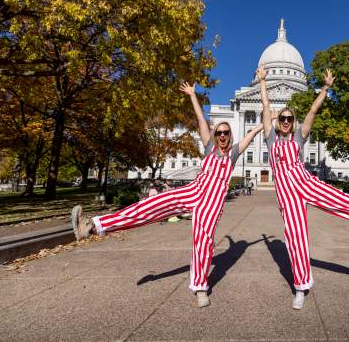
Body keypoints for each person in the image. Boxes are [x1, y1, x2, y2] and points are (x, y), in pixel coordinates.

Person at [71, 81, 263, 308]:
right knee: (149, 205)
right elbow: (201, 119)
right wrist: (192, 95)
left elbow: (253, 132)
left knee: (203, 242)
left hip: (212, 203)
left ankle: (200, 288)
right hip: (194, 191)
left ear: (230, 136)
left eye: (226, 133)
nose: (222, 135)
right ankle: (93, 226)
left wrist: (265, 119)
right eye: (219, 132)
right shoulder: (210, 147)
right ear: (215, 135)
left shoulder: (233, 153)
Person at [256, 66, 349, 310]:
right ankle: (301, 287)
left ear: (293, 122)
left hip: (305, 182)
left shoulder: (299, 137)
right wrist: (262, 82)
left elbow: (313, 110)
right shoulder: (271, 138)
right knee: (296, 238)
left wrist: (325, 88)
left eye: (290, 119)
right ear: (277, 122)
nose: (286, 122)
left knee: (343, 201)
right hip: (287, 195)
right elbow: (267, 106)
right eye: (283, 119)